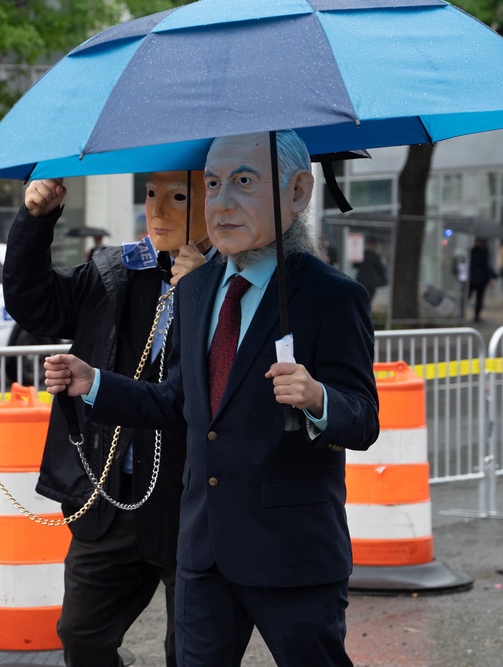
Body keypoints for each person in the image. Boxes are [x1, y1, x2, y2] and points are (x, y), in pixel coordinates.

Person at [44, 130, 380, 666]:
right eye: (214, 183)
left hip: (290, 549)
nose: (221, 202)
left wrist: (318, 397)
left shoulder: (331, 297)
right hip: (202, 549)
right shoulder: (197, 289)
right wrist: (97, 384)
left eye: (244, 182)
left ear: (298, 191)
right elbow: (178, 401)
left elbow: (362, 420)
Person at [3, 170, 215, 667]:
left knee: (191, 651)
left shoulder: (231, 283)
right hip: (109, 496)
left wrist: (201, 292)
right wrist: (36, 220)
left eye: (180, 197)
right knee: (82, 635)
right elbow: (36, 304)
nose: (158, 209)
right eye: (150, 194)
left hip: (191, 500)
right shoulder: (116, 270)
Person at [468, 237, 497, 322]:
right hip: (476, 279)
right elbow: (486, 266)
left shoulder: (475, 252)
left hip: (477, 279)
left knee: (478, 298)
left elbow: (486, 266)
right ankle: (475, 315)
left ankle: (476, 315)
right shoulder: (478, 252)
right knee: (477, 298)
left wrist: (490, 277)